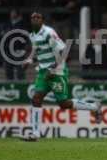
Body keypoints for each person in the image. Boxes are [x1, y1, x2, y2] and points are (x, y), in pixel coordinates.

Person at [22, 12, 102, 141]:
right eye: (33, 17)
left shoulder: (49, 33)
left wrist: (52, 68)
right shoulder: (32, 35)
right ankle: (35, 133)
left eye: (38, 17)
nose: (35, 19)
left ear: (42, 20)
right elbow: (38, 50)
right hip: (43, 71)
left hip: (57, 71)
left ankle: (94, 107)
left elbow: (64, 51)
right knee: (36, 98)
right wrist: (29, 60)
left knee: (63, 103)